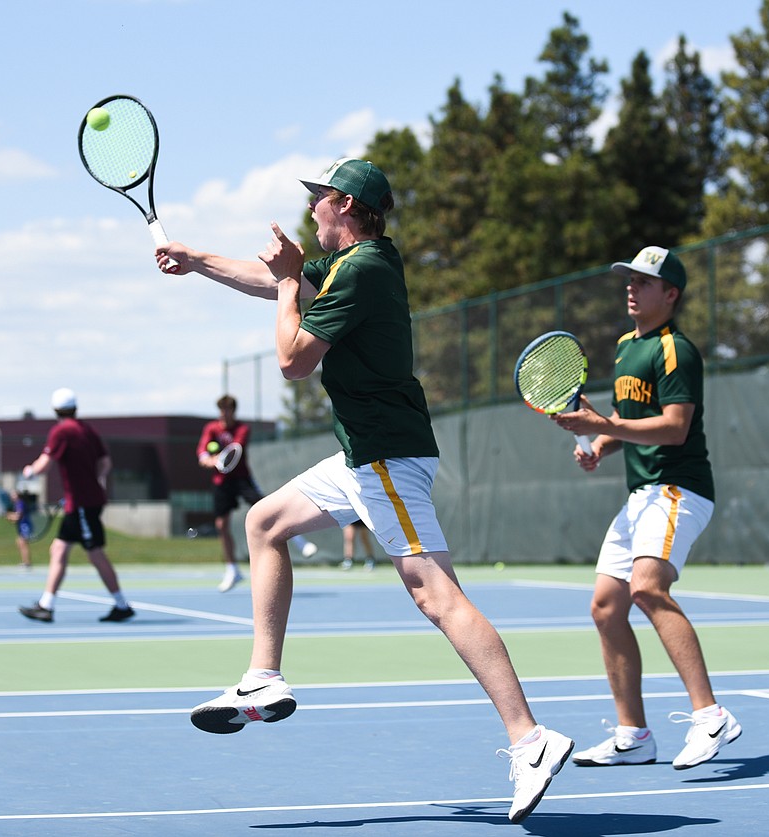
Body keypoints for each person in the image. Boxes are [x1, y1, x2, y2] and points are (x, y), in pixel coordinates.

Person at [156, 158, 573, 823]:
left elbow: (293, 360)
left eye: (318, 199)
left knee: (437, 597)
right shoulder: (361, 263)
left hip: (385, 457)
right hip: (364, 456)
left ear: (344, 204)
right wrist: (196, 258)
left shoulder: (364, 270)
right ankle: (263, 678)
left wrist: (293, 276)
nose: (312, 209)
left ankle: (530, 738)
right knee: (264, 522)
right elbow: (273, 283)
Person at [550, 245, 741, 771]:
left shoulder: (677, 350)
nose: (631, 288)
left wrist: (603, 427)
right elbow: (628, 417)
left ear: (671, 294)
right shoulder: (623, 347)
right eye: (629, 280)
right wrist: (598, 445)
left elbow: (675, 426)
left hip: (679, 489)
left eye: (645, 282)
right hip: (642, 495)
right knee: (607, 608)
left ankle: (710, 717)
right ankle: (633, 735)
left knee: (648, 589)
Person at [18, 388, 134, 623]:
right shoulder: (87, 430)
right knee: (59, 550)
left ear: (55, 410)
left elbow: (44, 464)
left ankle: (122, 605)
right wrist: (96, 481)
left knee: (95, 554)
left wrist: (29, 471)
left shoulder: (61, 431)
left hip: (82, 503)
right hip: (82, 502)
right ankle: (46, 605)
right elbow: (105, 462)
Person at [196, 395, 319, 592]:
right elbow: (202, 453)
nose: (224, 414)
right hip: (221, 483)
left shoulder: (242, 429)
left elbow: (234, 451)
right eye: (221, 410)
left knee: (269, 513)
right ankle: (232, 569)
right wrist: (208, 460)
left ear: (233, 411)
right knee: (221, 525)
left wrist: (218, 458)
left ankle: (300, 542)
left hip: (242, 480)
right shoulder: (211, 429)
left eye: (227, 410)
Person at [7, 488, 35, 569]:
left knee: (23, 543)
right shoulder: (16, 504)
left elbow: (18, 516)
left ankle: (27, 562)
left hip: (25, 526)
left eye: (13, 494)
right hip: (21, 526)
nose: (11, 496)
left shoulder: (20, 503)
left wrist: (10, 516)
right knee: (19, 542)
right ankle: (24, 561)